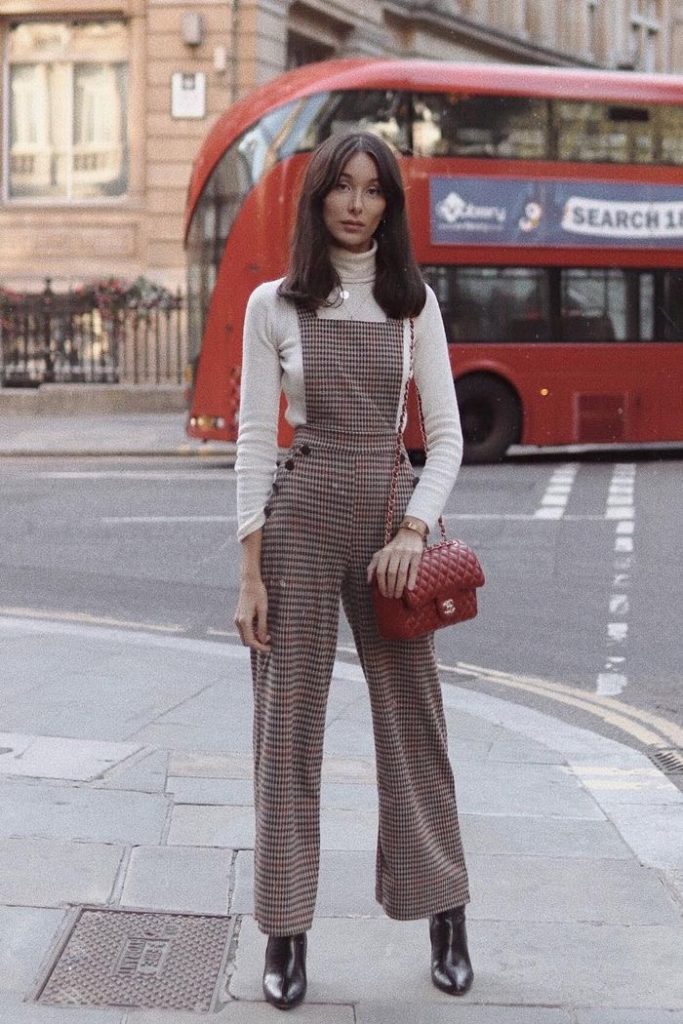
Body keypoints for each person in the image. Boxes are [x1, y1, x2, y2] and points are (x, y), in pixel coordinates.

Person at [234, 130, 472, 1011]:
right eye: (342, 186)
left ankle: (444, 911)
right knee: (285, 732)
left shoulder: (415, 303)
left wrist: (413, 527)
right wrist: (249, 573)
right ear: (318, 197)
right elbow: (255, 443)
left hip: (388, 517)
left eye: (374, 191)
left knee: (414, 724)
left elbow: (443, 438)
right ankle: (285, 932)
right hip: (299, 517)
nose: (356, 204)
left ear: (390, 206)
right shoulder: (275, 303)